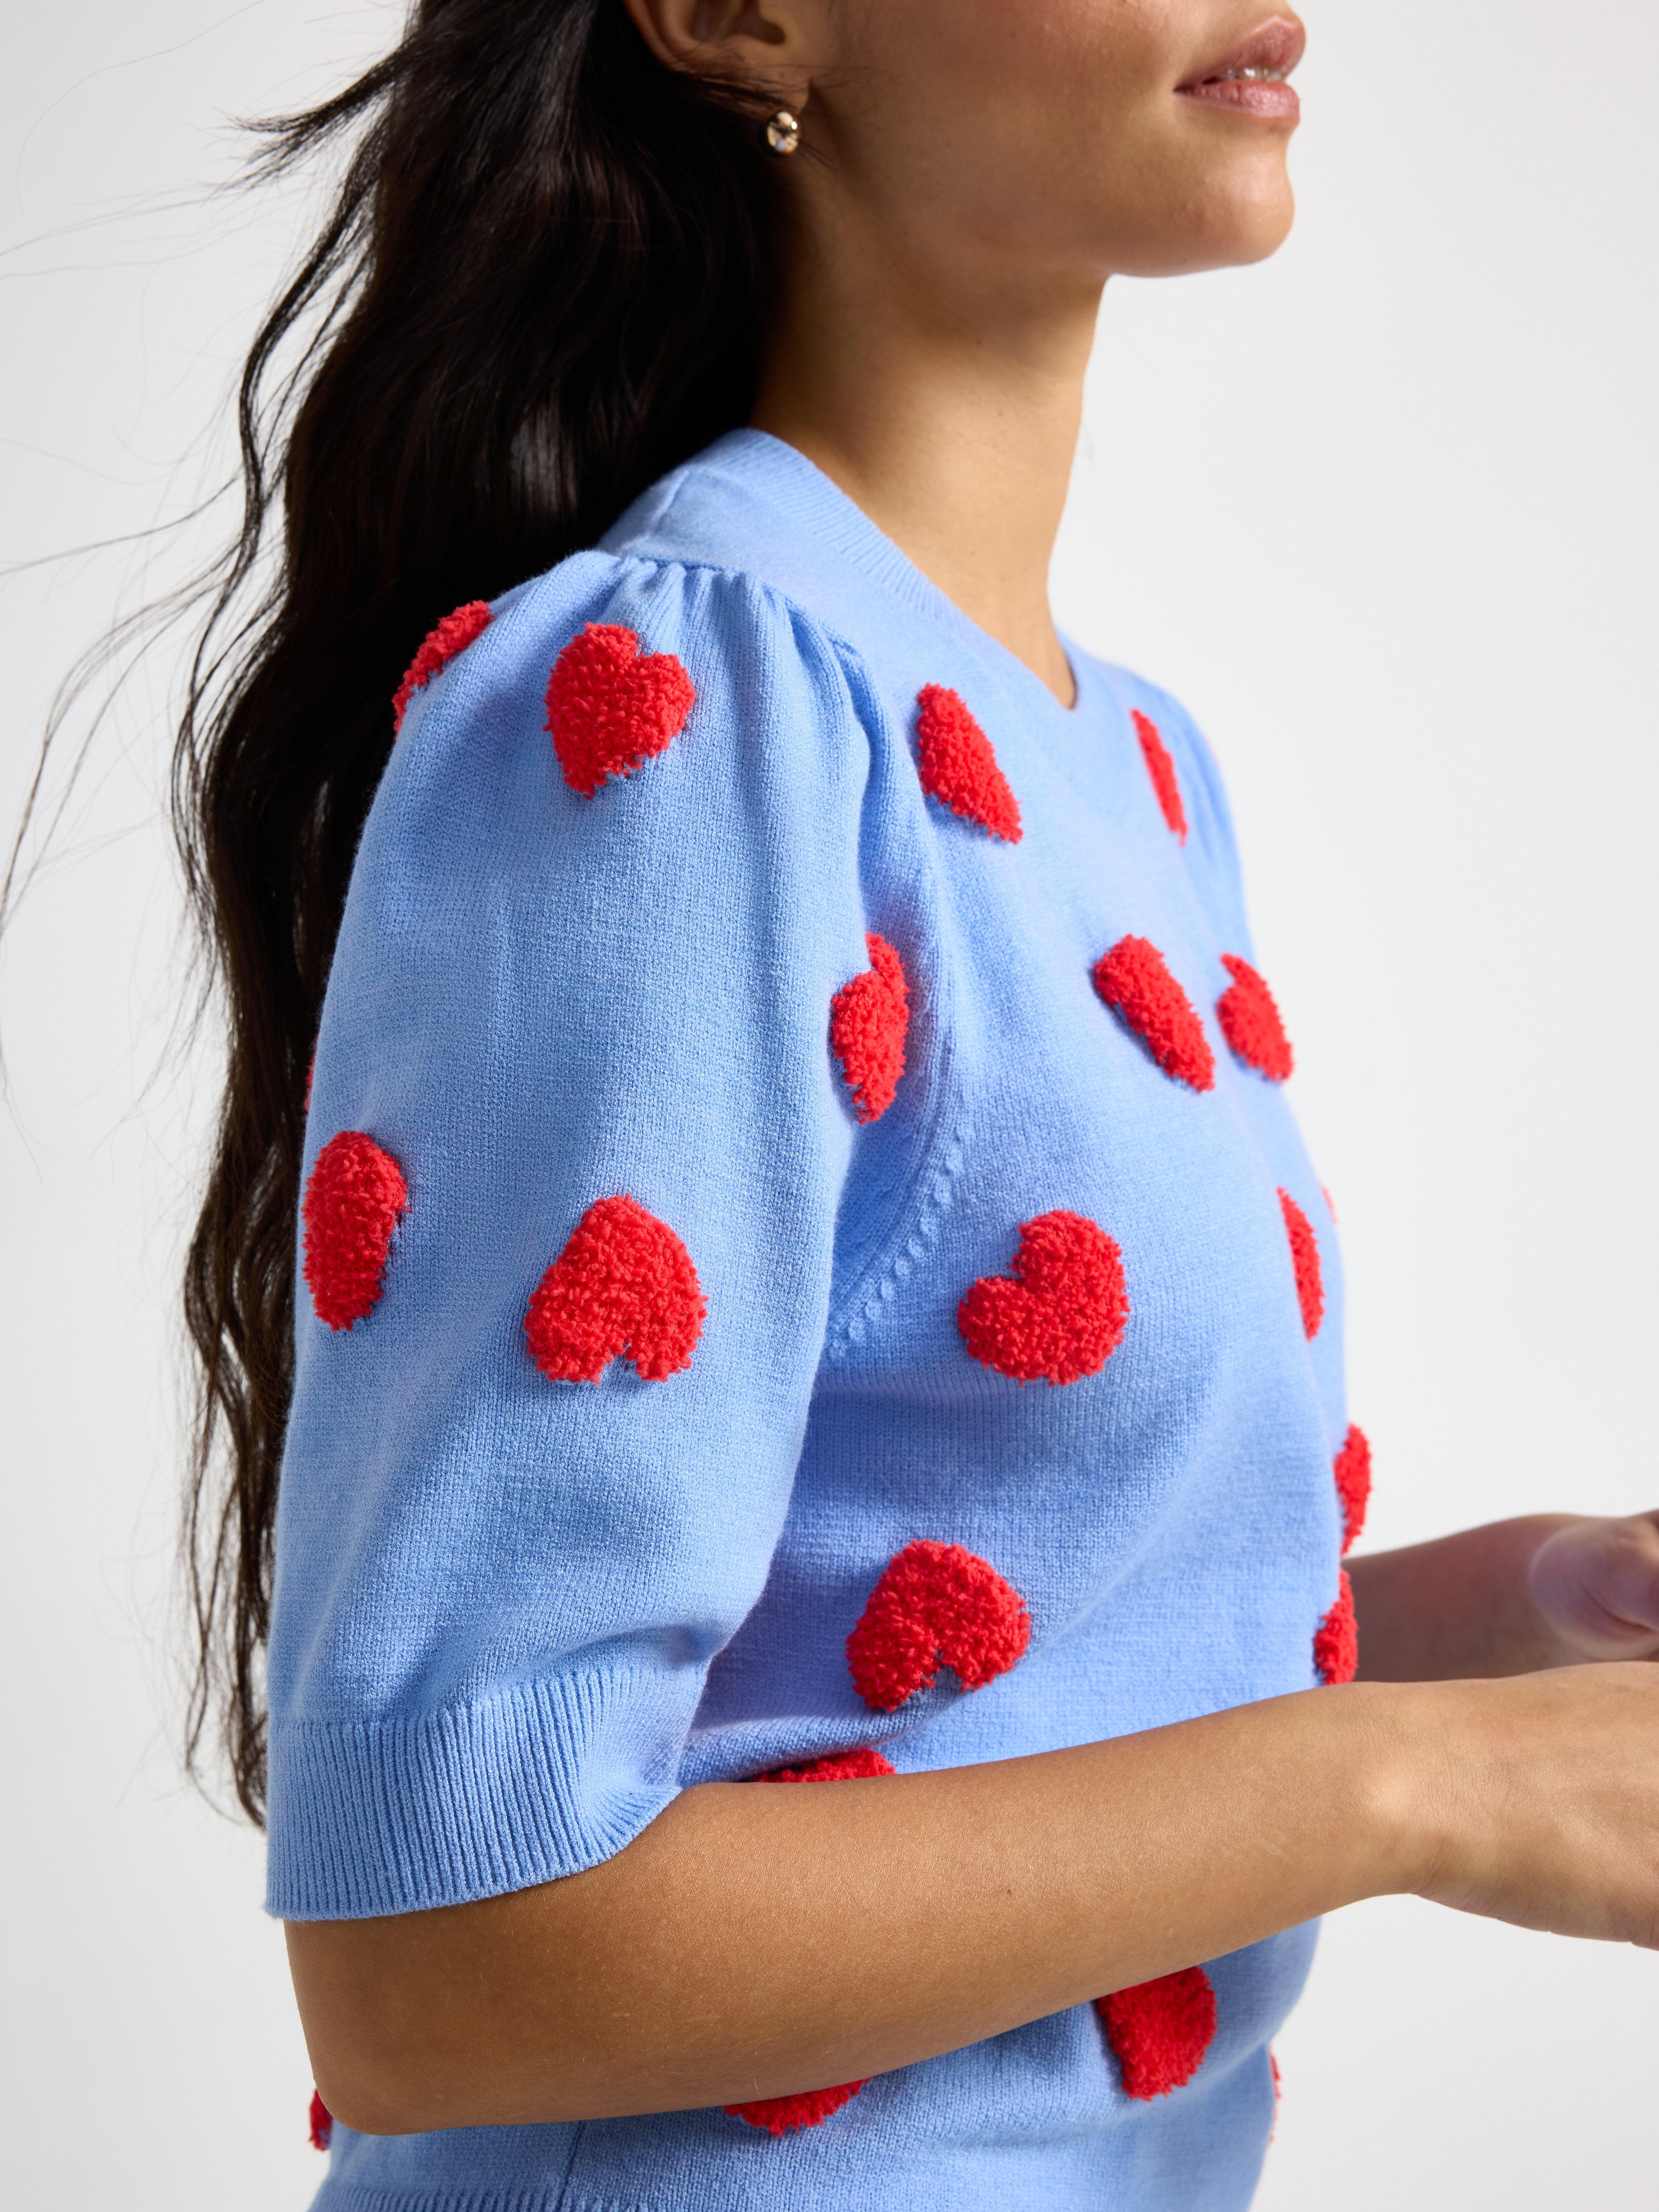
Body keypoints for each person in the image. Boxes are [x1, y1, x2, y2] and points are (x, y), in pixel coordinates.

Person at [172, 2, 1659, 2206]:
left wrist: (1513, 1617)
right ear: (741, 16)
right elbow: (438, 1958)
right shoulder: (676, 700)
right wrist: (1425, 1777)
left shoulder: (1122, 759)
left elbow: (959, 1664)